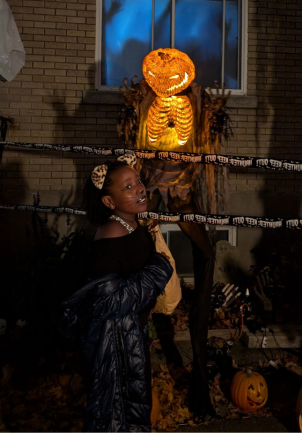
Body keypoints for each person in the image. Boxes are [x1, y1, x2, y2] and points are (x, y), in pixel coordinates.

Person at [61, 154, 173, 432]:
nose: (139, 188)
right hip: (114, 346)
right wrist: (159, 271)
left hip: (132, 335)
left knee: (133, 413)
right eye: (127, 187)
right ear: (109, 202)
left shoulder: (132, 224)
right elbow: (108, 301)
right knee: (115, 416)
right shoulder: (110, 235)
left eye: (137, 181)